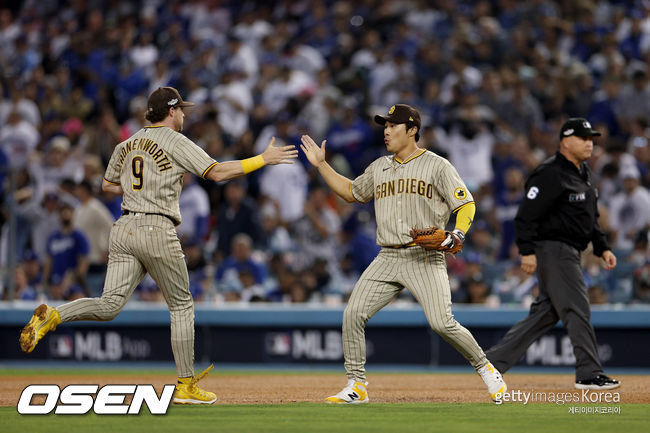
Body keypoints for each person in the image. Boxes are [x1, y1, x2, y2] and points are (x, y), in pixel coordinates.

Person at [19, 86, 298, 404]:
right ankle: (185, 385)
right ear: (170, 111)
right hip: (156, 226)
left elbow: (107, 185)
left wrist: (143, 184)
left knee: (109, 304)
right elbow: (217, 172)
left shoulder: (127, 143)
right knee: (181, 305)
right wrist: (262, 159)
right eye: (181, 110)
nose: (183, 116)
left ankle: (53, 315)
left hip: (124, 228)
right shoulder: (175, 141)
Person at [300, 103, 506, 404]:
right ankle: (356, 385)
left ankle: (487, 369)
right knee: (353, 314)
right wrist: (322, 165)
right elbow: (351, 192)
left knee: (441, 323)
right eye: (384, 126)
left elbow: (465, 204)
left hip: (423, 256)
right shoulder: (379, 167)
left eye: (392, 126)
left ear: (412, 131)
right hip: (387, 257)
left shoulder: (438, 165)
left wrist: (457, 234)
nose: (386, 131)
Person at [485, 118, 620, 390]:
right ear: (566, 141)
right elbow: (525, 216)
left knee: (546, 313)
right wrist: (527, 251)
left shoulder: (583, 173)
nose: (589, 143)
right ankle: (588, 373)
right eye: (583, 138)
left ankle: (491, 362)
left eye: (591, 138)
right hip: (554, 249)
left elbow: (589, 219)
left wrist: (602, 246)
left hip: (571, 250)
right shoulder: (549, 173)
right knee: (577, 307)